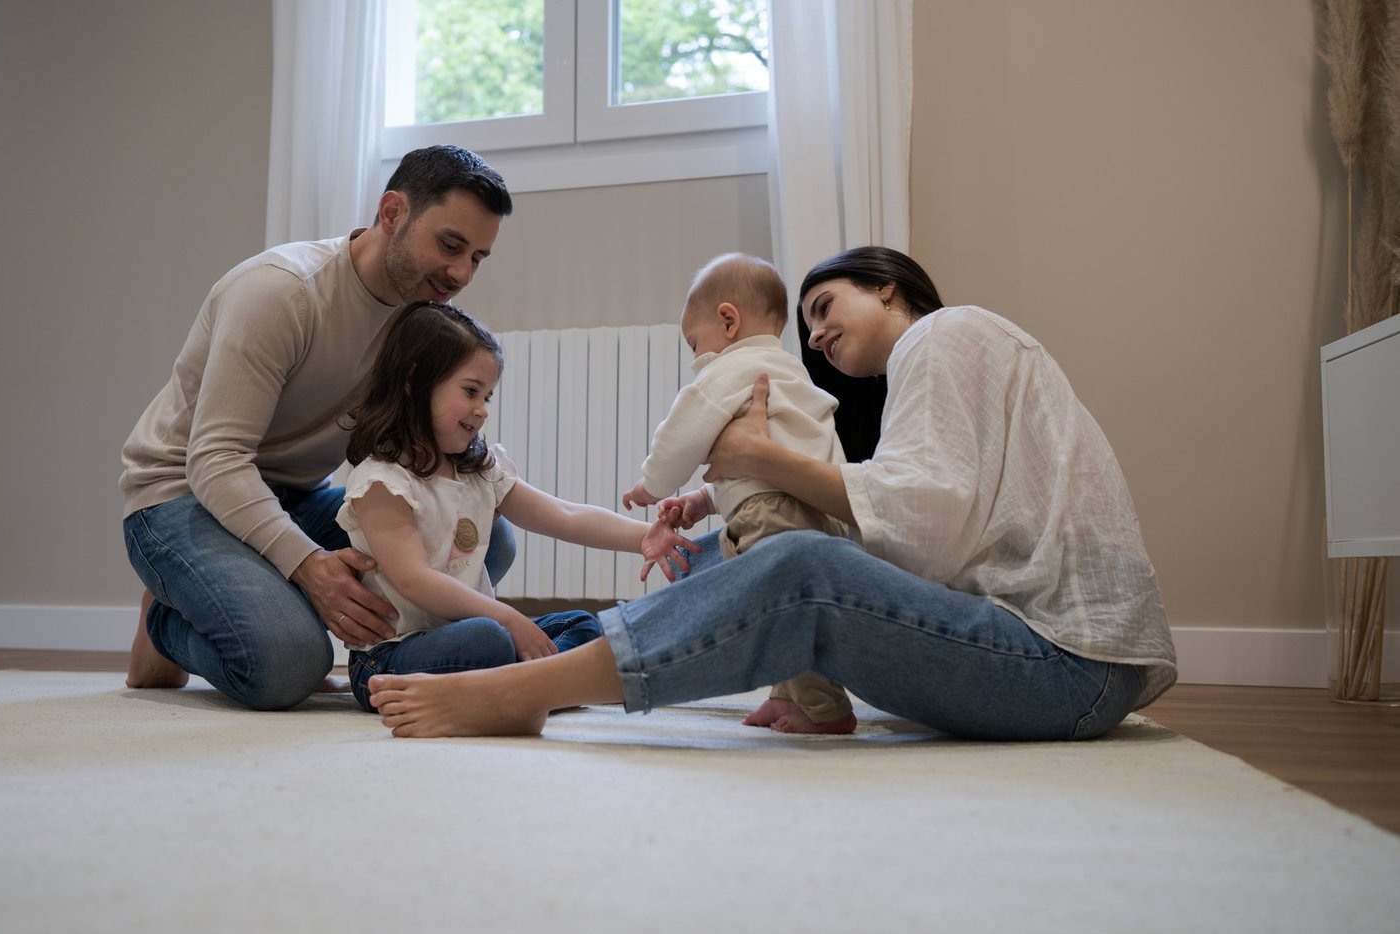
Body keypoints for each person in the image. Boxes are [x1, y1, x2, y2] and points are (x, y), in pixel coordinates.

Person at [365, 246, 1178, 741]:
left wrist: (747, 461)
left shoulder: (946, 332)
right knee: (764, 557)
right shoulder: (913, 386)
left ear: (888, 287)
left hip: (1065, 666)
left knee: (795, 564)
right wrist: (730, 503)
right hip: (1042, 666)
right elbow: (906, 531)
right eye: (806, 323)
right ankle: (782, 695)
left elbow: (921, 532)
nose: (814, 334)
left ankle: (523, 691)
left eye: (826, 307)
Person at [119, 145, 515, 711]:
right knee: (287, 667)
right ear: (392, 213)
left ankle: (257, 602)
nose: (460, 273)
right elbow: (215, 461)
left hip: (296, 497)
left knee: (484, 538)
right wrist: (309, 567)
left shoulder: (420, 319)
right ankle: (168, 616)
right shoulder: (280, 293)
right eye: (450, 245)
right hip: (180, 495)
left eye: (478, 257)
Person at [337, 301, 697, 712]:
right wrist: (510, 619)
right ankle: (533, 683)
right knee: (489, 639)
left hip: (468, 632)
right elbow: (415, 581)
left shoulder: (478, 468)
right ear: (414, 381)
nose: (482, 409)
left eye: (487, 396)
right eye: (471, 391)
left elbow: (564, 515)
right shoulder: (382, 481)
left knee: (585, 627)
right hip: (389, 658)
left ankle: (517, 684)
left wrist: (644, 537)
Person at [619, 253, 854, 734]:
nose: (695, 356)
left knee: (781, 614)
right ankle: (784, 696)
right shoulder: (789, 372)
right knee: (781, 610)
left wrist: (653, 483)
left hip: (770, 515)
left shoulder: (730, 368)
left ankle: (825, 709)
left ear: (728, 320)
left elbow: (683, 432)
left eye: (694, 342)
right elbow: (765, 462)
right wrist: (703, 501)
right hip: (820, 510)